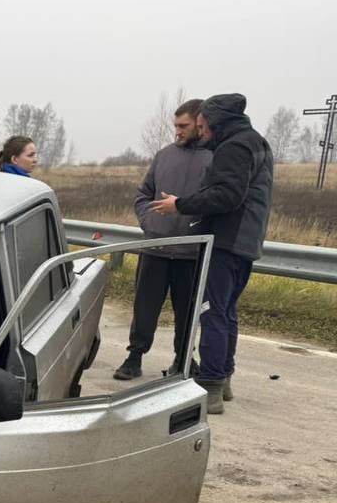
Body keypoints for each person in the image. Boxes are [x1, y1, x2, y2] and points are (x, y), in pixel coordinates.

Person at [150, 94, 274, 413]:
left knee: (212, 312)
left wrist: (181, 204)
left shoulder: (233, 147)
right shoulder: (254, 142)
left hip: (226, 241)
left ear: (216, 121)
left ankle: (210, 387)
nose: (200, 129)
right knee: (226, 311)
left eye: (203, 124)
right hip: (245, 241)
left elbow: (226, 196)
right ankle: (224, 378)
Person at [113, 99, 213, 380]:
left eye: (184, 126)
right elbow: (143, 194)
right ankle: (134, 357)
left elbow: (218, 200)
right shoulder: (164, 155)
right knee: (145, 306)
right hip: (154, 247)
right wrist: (149, 221)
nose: (178, 131)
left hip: (192, 252)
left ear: (199, 123)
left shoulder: (214, 158)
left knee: (187, 311)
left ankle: (182, 361)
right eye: (175, 126)